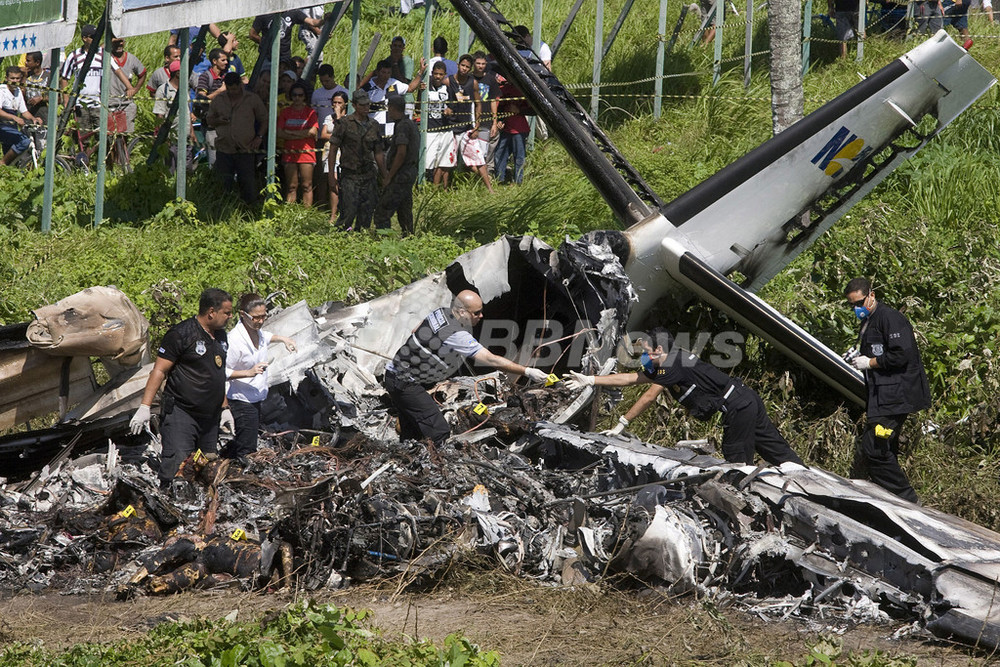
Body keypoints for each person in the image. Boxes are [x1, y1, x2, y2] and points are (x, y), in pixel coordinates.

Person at [565, 329, 804, 467]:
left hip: (739, 406)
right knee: (778, 452)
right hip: (746, 399)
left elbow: (649, 395)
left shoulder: (670, 365)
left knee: (736, 461)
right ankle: (804, 476)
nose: (644, 356)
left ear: (658, 350)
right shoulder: (671, 361)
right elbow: (631, 378)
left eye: (647, 351)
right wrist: (591, 380)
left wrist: (622, 423)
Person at [383, 289, 549, 444]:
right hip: (405, 383)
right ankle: (436, 467)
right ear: (462, 312)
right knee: (439, 432)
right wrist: (527, 371)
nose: (481, 316)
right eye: (476, 313)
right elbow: (491, 360)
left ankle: (406, 457)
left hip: (394, 375)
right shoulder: (456, 335)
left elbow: (415, 330)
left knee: (412, 430)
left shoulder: (440, 313)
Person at [129, 288, 233, 489]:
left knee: (206, 468)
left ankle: (200, 512)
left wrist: (225, 408)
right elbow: (159, 371)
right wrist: (145, 406)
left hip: (210, 419)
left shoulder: (220, 336)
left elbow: (217, 375)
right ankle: (170, 509)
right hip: (182, 414)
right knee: (179, 468)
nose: (230, 317)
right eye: (227, 313)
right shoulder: (181, 334)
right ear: (211, 312)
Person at [842, 278, 929, 502]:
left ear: (871, 295)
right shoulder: (870, 320)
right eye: (852, 305)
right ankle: (890, 496)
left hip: (896, 397)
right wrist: (857, 358)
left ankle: (906, 499)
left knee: (875, 449)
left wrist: (869, 363)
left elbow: (902, 354)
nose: (856, 308)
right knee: (884, 447)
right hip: (882, 396)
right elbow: (876, 350)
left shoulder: (890, 318)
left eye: (859, 302)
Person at [224, 293, 297, 461]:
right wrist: (247, 372)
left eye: (264, 316)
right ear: (243, 315)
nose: (260, 321)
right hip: (242, 400)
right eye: (256, 318)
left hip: (256, 398)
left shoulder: (258, 332)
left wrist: (284, 339)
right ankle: (241, 477)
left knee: (246, 440)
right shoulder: (234, 341)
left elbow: (267, 337)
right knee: (247, 450)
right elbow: (221, 372)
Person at [60, 24, 133, 157]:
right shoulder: (74, 56)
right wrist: (66, 101)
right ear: (84, 38)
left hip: (99, 103)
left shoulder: (103, 55)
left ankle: (104, 165)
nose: (96, 40)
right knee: (83, 138)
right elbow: (64, 78)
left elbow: (117, 70)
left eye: (97, 37)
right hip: (80, 103)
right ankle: (82, 163)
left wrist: (129, 87)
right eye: (93, 37)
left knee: (105, 136)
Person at [328, 89, 385, 229]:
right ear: (354, 105)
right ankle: (341, 239)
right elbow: (333, 149)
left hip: (368, 175)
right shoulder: (344, 124)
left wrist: (384, 174)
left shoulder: (374, 125)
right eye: (362, 105)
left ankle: (362, 241)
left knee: (366, 212)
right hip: (349, 175)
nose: (366, 108)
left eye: (367, 105)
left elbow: (378, 152)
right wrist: (331, 175)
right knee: (348, 212)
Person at [207, 72, 266, 204]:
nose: (232, 92)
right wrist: (219, 120)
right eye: (229, 89)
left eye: (235, 88)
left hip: (246, 149)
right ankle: (224, 206)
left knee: (247, 182)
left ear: (240, 85)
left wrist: (259, 137)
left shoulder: (252, 99)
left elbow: (264, 119)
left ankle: (250, 208)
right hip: (224, 149)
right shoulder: (219, 100)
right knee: (223, 182)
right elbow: (209, 119)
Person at [374, 95, 419, 233]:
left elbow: (401, 153)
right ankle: (408, 235)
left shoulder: (403, 126)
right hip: (409, 172)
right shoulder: (409, 124)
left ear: (392, 108)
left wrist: (389, 176)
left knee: (383, 211)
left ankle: (384, 239)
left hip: (401, 174)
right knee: (404, 209)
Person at [449, 54, 492, 192]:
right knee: (447, 160)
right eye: (463, 65)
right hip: (450, 127)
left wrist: (477, 126)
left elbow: (478, 104)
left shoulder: (472, 83)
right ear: (458, 65)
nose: (464, 69)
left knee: (478, 159)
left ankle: (490, 188)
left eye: (468, 67)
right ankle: (446, 188)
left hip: (467, 128)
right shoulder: (449, 81)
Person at [152, 60, 198, 173]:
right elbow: (160, 115)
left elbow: (187, 112)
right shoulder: (163, 90)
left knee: (187, 169)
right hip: (172, 137)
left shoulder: (184, 89)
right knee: (171, 169)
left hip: (186, 137)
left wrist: (192, 132)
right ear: (177, 73)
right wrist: (163, 136)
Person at [277, 82, 318, 206]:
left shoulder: (310, 112)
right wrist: (302, 133)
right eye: (294, 95)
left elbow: (313, 132)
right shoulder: (285, 112)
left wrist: (291, 133)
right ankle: (289, 213)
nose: (297, 98)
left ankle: (306, 215)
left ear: (304, 97)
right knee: (291, 186)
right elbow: (279, 133)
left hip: (306, 152)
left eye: (300, 95)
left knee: (307, 185)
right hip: (289, 152)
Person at [424, 61, 457, 187]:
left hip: (445, 129)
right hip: (430, 129)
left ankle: (442, 188)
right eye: (436, 74)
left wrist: (450, 110)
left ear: (445, 75)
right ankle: (425, 185)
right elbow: (418, 106)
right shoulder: (425, 88)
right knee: (429, 159)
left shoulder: (448, 88)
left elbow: (454, 105)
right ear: (432, 74)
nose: (438, 77)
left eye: (441, 74)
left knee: (444, 161)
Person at [196, 48, 232, 165]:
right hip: (211, 127)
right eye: (223, 60)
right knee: (214, 160)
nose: (226, 63)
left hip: (226, 126)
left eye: (226, 60)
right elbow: (201, 100)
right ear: (214, 61)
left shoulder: (227, 77)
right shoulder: (205, 77)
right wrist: (220, 91)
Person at [0, 67, 40, 165]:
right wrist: (14, 117)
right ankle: (2, 163)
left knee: (10, 153)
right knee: (24, 141)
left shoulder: (18, 91)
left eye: (17, 78)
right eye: (12, 78)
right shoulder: (2, 90)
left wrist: (33, 118)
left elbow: (24, 111)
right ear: (7, 78)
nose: (15, 81)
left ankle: (7, 171)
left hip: (12, 127)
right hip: (3, 126)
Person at [494, 74, 529, 184]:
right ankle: (500, 179)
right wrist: (500, 120)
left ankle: (518, 181)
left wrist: (520, 110)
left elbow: (533, 109)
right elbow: (499, 107)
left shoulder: (524, 90)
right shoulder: (504, 89)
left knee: (519, 156)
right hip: (506, 128)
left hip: (520, 129)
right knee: (499, 154)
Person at [320, 90, 349, 222]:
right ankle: (333, 213)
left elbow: (344, 133)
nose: (336, 105)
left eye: (339, 102)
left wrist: (338, 117)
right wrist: (337, 137)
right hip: (329, 152)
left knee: (343, 183)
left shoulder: (349, 119)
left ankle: (344, 211)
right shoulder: (328, 118)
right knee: (333, 183)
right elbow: (323, 135)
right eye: (334, 102)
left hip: (344, 153)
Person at [108, 37, 146, 135]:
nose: (119, 44)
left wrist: (135, 89)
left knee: (125, 134)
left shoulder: (131, 59)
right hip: (109, 103)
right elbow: (99, 49)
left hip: (126, 103)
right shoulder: (106, 57)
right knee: (110, 136)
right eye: (115, 42)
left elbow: (142, 73)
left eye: (121, 41)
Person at [472, 52, 501, 173]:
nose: (480, 66)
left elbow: (493, 101)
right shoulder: (469, 78)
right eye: (478, 63)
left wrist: (494, 122)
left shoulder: (491, 80)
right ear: (473, 63)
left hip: (485, 121)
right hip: (470, 120)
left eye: (483, 64)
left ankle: (483, 178)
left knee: (482, 153)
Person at [23, 52, 48, 118]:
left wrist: (41, 98)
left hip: (43, 115)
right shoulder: (25, 75)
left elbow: (58, 98)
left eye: (28, 61)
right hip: (28, 115)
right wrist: (24, 77)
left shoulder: (48, 76)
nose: (26, 63)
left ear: (37, 62)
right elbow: (21, 94)